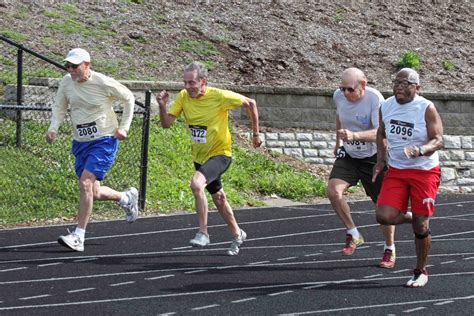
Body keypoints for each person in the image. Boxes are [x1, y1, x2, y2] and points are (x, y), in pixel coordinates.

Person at [156, 61, 262, 256]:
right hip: (200, 156)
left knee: (197, 184)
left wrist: (255, 135)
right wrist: (162, 106)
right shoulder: (183, 97)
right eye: (185, 83)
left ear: (203, 82)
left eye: (192, 83)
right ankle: (238, 234)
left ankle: (203, 232)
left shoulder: (219, 96)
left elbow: (251, 103)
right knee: (219, 199)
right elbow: (166, 124)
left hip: (221, 154)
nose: (188, 87)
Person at [46, 48, 139, 252]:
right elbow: (59, 106)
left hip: (104, 140)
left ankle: (79, 236)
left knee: (85, 183)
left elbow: (129, 98)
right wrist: (53, 128)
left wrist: (124, 128)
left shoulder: (102, 82)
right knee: (94, 191)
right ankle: (126, 198)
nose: (71, 70)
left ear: (87, 65)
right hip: (81, 142)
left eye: (75, 66)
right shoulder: (66, 82)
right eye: (68, 66)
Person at [372, 68, 443, 287]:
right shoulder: (386, 106)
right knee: (384, 216)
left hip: (424, 170)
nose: (399, 87)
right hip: (397, 169)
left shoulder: (426, 107)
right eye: (396, 82)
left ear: (417, 87)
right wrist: (381, 161)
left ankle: (420, 270)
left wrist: (420, 150)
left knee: (421, 227)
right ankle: (417, 216)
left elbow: (438, 140)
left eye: (405, 83)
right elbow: (382, 133)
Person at [326, 67, 397, 268]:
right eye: (342, 89)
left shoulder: (376, 100)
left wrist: (355, 136)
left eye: (350, 89)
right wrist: (338, 142)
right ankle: (353, 234)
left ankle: (389, 248)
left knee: (382, 208)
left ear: (363, 85)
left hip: (374, 157)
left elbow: (380, 132)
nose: (345, 94)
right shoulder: (339, 96)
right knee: (333, 191)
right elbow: (340, 116)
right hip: (349, 155)